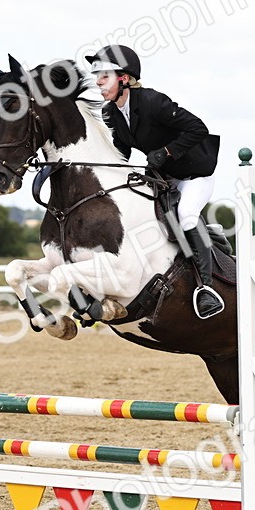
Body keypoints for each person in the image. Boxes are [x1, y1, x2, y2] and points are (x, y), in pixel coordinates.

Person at [85, 44, 225, 319]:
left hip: (194, 174)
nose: (98, 82)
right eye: (97, 76)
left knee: (185, 216)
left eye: (104, 76)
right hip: (163, 178)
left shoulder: (152, 102)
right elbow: (121, 150)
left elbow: (198, 128)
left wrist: (167, 151)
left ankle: (207, 290)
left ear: (124, 78)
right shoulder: (111, 112)